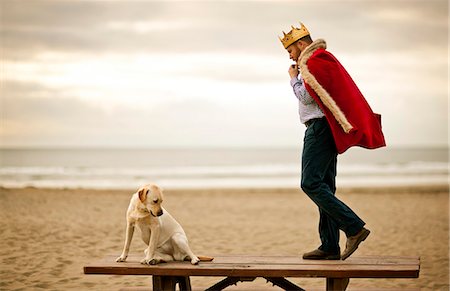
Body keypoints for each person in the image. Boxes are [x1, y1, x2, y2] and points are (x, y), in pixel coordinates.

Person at [279, 23, 386, 260]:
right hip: (327, 129)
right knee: (325, 186)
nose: (289, 55)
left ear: (301, 44)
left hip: (319, 129)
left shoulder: (312, 62)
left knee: (310, 184)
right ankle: (329, 245)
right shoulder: (321, 59)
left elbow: (306, 97)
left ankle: (354, 227)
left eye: (290, 50)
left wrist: (293, 78)